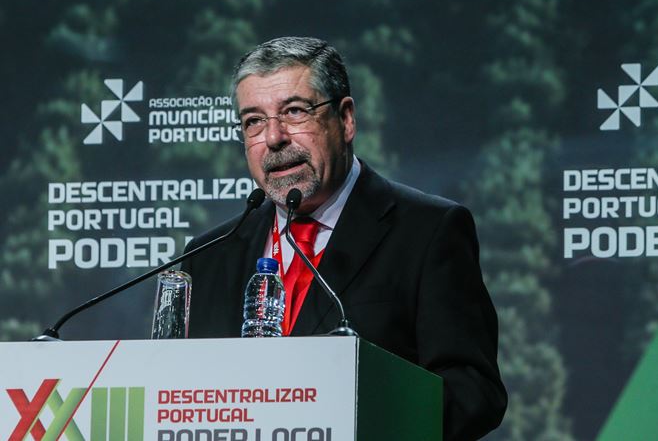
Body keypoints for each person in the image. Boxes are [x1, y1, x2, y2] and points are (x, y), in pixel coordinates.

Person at [180, 37, 507, 440]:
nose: (274, 138)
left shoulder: (428, 230)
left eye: (294, 112)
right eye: (254, 121)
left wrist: (358, 418)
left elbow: (473, 391)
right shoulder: (209, 256)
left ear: (346, 119)